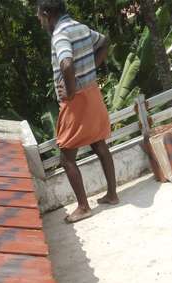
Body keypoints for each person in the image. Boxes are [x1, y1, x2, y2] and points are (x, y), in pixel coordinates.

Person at [37, 0, 119, 223]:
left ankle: (83, 207)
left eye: (39, 15)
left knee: (66, 157)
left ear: (46, 13)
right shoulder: (79, 27)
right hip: (92, 93)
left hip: (76, 101)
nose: (39, 20)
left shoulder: (60, 34)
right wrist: (91, 69)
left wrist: (72, 91)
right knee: (99, 143)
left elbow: (66, 64)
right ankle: (112, 195)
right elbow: (104, 41)